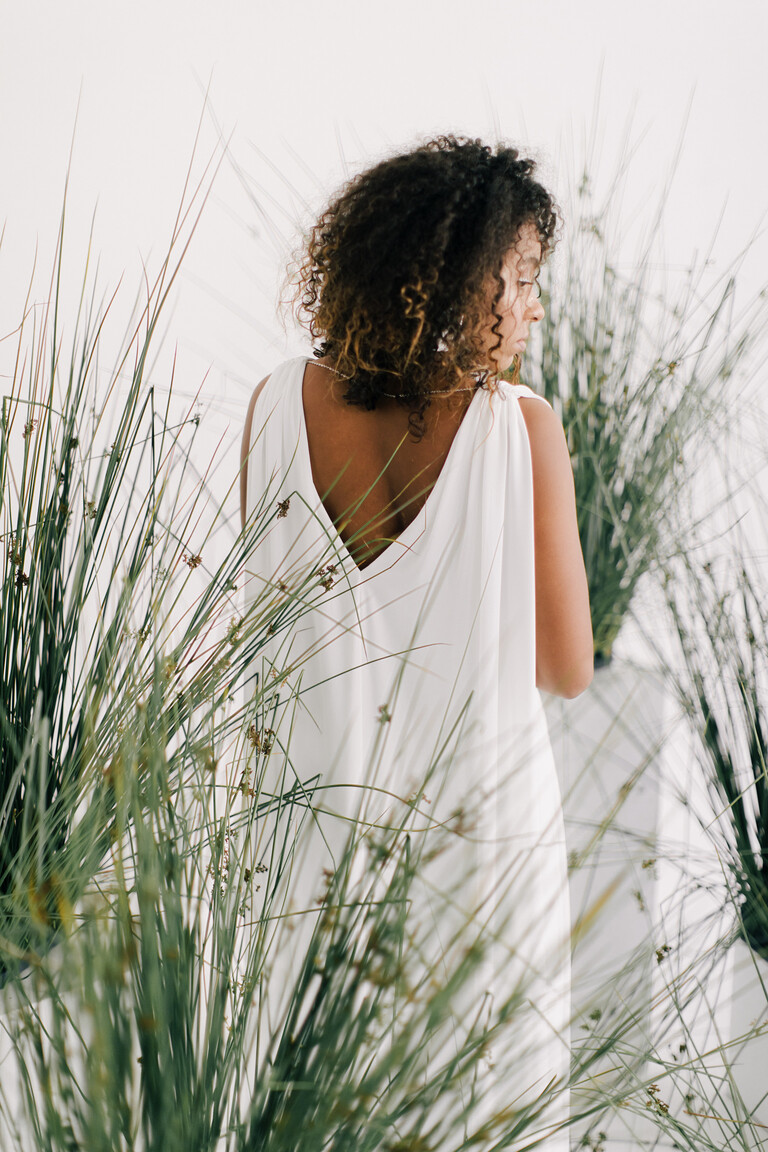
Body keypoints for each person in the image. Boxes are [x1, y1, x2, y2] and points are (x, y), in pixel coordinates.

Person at [240, 135, 592, 1150]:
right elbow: (568, 669)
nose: (532, 306)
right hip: (478, 856)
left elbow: (259, 626)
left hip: (305, 855)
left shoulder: (272, 410)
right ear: (448, 279)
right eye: (519, 277)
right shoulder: (521, 429)